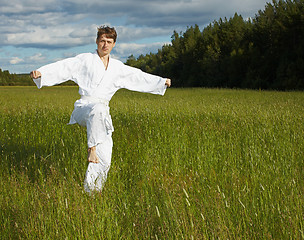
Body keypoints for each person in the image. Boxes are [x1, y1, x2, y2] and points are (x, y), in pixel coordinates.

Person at [30, 25, 171, 194]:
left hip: (102, 113)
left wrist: (160, 82)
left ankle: (92, 193)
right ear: (96, 41)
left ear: (114, 44)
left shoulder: (118, 67)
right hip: (84, 108)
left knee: (105, 157)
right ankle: (91, 149)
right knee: (96, 109)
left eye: (109, 42)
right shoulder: (85, 60)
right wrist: (42, 73)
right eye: (102, 41)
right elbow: (64, 66)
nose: (105, 45)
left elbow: (137, 76)